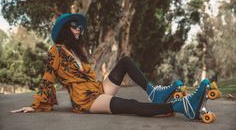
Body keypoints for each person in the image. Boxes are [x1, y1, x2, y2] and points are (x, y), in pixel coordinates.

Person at [10, 13, 211, 120]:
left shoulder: (78, 51)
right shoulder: (56, 51)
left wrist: (101, 87)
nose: (79, 30)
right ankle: (183, 107)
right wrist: (36, 105)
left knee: (125, 61)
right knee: (130, 104)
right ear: (65, 29)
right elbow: (48, 77)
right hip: (85, 99)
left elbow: (90, 76)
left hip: (97, 88)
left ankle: (154, 92)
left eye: (80, 27)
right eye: (74, 26)